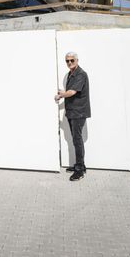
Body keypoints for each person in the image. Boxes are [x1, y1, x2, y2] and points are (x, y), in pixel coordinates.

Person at [55, 52, 91, 182]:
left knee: (77, 140)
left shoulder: (81, 74)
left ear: (77, 60)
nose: (69, 63)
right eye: (67, 61)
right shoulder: (71, 74)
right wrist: (64, 93)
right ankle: (79, 165)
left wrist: (61, 95)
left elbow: (72, 92)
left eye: (72, 60)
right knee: (76, 139)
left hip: (79, 112)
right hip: (72, 112)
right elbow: (69, 93)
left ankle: (80, 169)